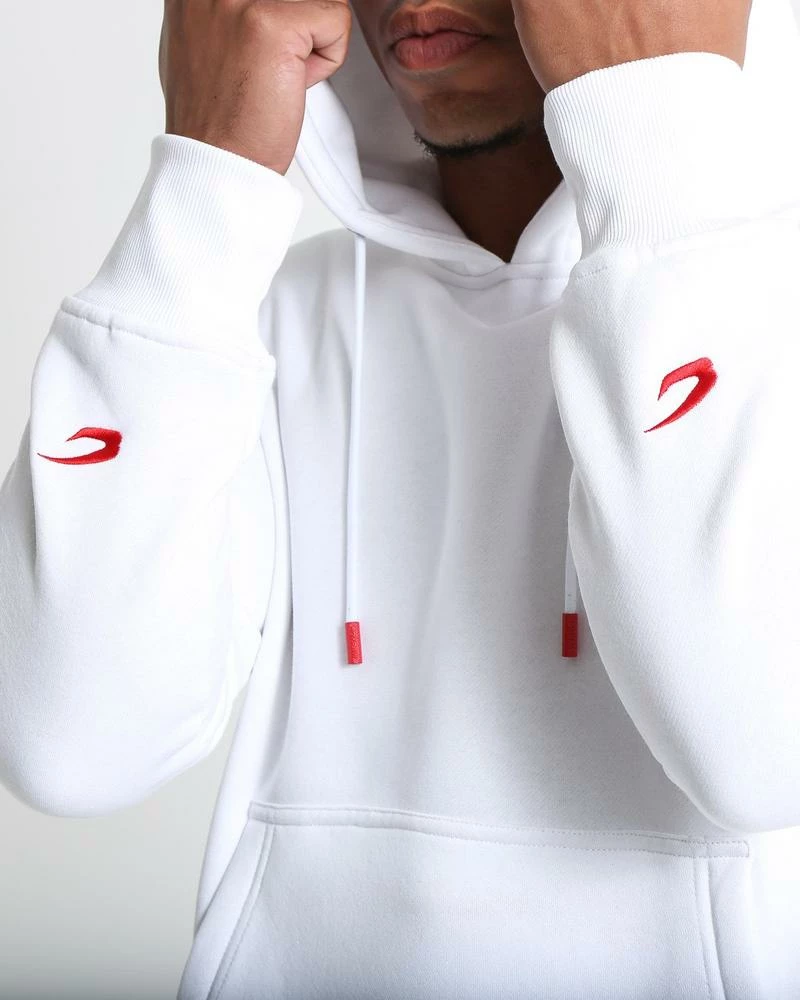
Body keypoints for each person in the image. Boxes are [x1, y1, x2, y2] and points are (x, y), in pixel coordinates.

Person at [2, 0, 800, 994]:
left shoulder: (763, 300)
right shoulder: (240, 313)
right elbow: (70, 745)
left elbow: (766, 749)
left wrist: (656, 138)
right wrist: (204, 183)